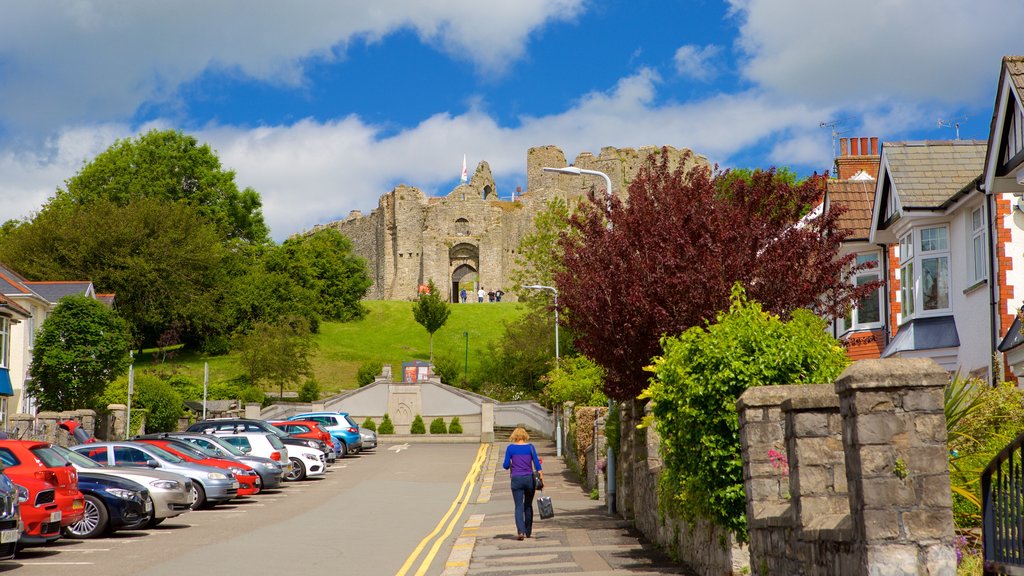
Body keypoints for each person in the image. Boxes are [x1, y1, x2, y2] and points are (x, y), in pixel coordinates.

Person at [502, 427, 542, 540]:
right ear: (525, 436)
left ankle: (520, 531)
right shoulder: (530, 447)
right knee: (528, 505)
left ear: (514, 436)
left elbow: (505, 465)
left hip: (516, 480)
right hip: (529, 479)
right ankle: (528, 531)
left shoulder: (510, 448)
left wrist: (511, 463)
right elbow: (537, 465)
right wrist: (541, 479)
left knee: (518, 506)